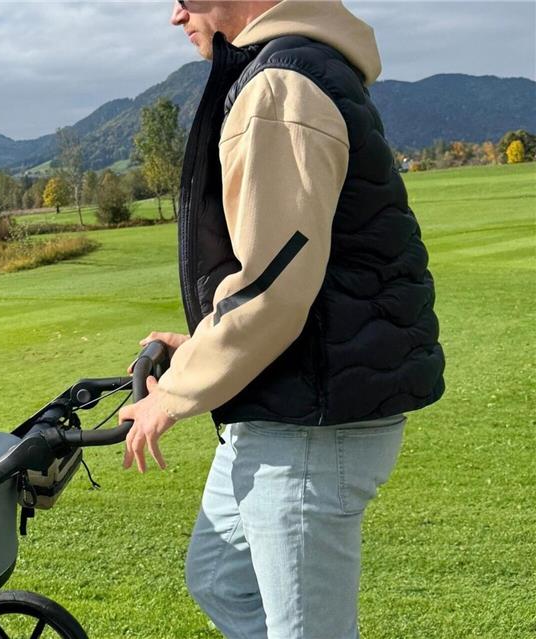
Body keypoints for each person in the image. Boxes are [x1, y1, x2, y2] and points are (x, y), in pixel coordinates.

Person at [117, 1, 445, 637]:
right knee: (221, 579)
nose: (175, 14)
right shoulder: (297, 69)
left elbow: (272, 288)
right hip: (293, 404)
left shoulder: (279, 85)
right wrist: (199, 345)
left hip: (310, 429)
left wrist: (175, 393)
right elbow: (304, 270)